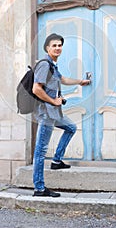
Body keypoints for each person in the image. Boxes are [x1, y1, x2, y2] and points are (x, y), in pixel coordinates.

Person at [32, 33, 90, 197]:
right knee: (40, 151)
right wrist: (53, 100)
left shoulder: (52, 65)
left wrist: (80, 81)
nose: (57, 48)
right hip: (46, 113)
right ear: (47, 48)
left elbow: (62, 79)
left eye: (59, 45)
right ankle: (39, 188)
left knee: (70, 127)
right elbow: (36, 89)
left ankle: (56, 161)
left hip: (54, 112)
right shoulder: (44, 64)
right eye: (54, 45)